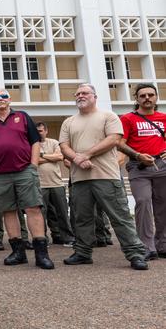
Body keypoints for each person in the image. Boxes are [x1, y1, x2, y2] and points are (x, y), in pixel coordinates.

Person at [59, 83, 148, 270]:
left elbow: (114, 139)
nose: (81, 96)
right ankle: (83, 252)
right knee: (82, 218)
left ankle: (135, 254)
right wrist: (77, 157)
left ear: (94, 96)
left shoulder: (108, 116)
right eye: (78, 94)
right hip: (79, 178)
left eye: (85, 93)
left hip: (106, 175)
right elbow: (64, 146)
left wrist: (87, 154)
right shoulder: (69, 121)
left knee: (119, 217)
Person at [0, 89, 54, 269]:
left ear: (9, 100)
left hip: (24, 171)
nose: (0, 99)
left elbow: (35, 141)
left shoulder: (22, 116)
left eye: (3, 96)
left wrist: (33, 165)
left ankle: (41, 254)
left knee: (33, 208)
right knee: (8, 210)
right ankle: (18, 252)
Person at [118, 83, 166, 260]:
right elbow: (120, 143)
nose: (147, 98)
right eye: (143, 95)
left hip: (162, 165)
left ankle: (162, 244)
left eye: (151, 95)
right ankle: (146, 246)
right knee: (143, 201)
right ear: (136, 99)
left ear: (156, 97)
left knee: (163, 205)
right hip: (139, 166)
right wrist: (138, 156)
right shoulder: (128, 118)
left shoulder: (163, 117)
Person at [36, 122, 75, 246]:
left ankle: (67, 238)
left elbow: (59, 157)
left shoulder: (53, 142)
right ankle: (43, 239)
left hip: (57, 183)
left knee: (62, 212)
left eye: (41, 131)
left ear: (46, 131)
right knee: (41, 214)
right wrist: (50, 157)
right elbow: (33, 159)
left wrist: (42, 155)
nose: (39, 133)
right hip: (40, 185)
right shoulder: (32, 145)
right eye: (37, 131)